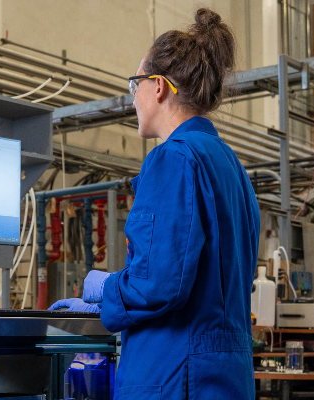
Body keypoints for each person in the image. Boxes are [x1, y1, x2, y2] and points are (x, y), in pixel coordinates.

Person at [49, 8, 260, 400]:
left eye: (136, 84)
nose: (133, 98)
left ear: (158, 87)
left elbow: (159, 283)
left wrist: (105, 289)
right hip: (225, 378)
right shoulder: (232, 167)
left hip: (175, 377)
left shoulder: (174, 158)